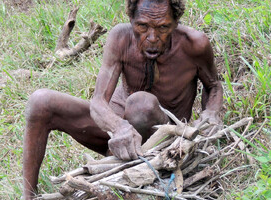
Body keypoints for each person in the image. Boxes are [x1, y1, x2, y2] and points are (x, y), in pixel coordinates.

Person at [22, 0, 223, 198]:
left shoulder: (195, 44)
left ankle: (119, 169)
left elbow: (213, 86)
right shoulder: (121, 38)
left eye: (163, 27)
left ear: (176, 22)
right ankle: (28, 195)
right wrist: (118, 127)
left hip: (162, 139)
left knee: (141, 104)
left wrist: (211, 114)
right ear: (131, 19)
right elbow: (99, 102)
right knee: (40, 101)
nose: (152, 37)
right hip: (117, 134)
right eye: (142, 26)